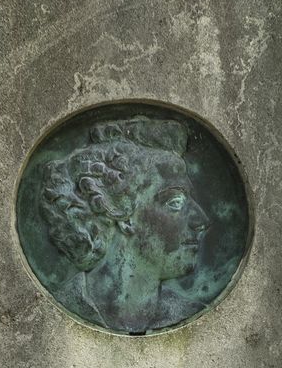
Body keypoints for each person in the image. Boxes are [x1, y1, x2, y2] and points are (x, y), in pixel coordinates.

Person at [39, 115, 209, 333]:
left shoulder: (187, 314)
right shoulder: (62, 306)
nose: (202, 221)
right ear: (121, 212)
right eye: (175, 202)